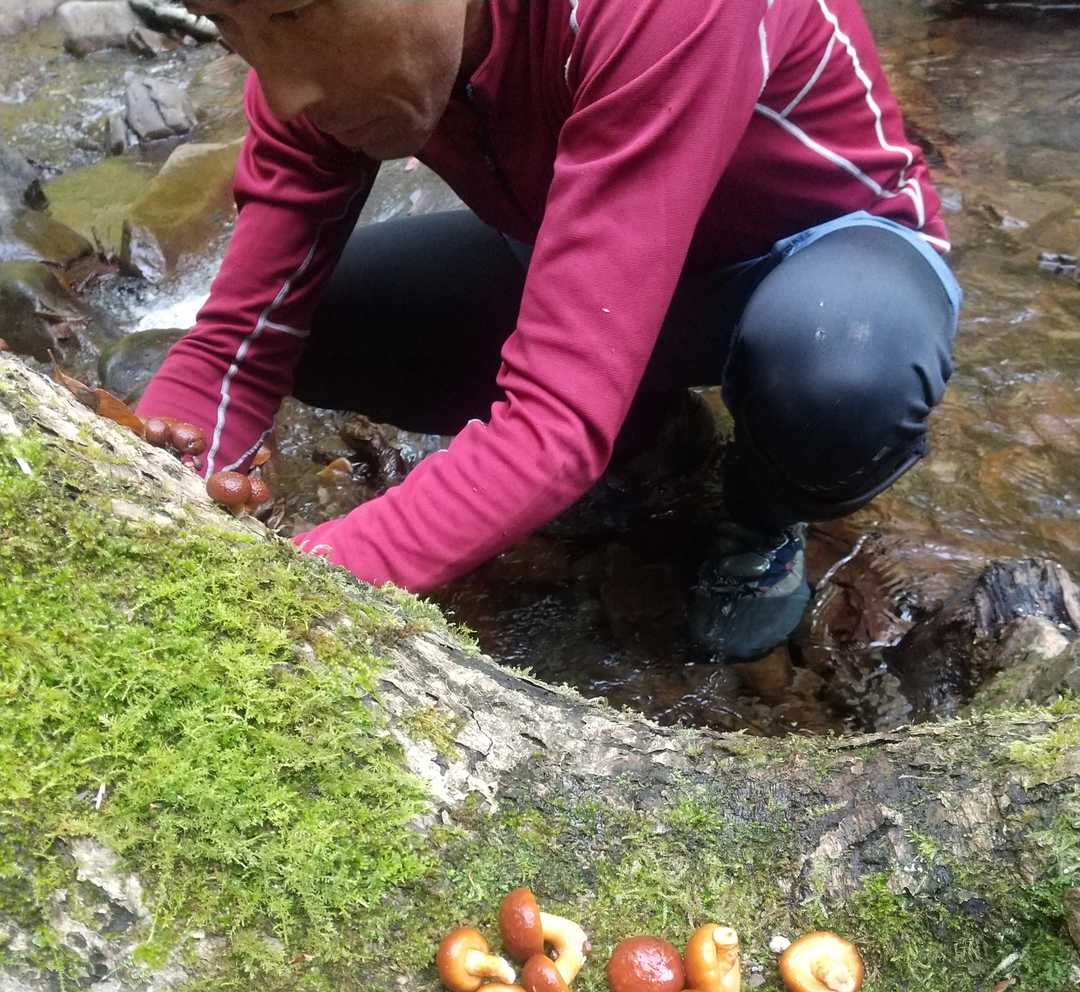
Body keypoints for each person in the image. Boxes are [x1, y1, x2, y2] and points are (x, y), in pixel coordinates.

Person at [142, 0, 962, 661]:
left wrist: (293, 592)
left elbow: (551, 421)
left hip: (819, 260)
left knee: (843, 378)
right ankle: (654, 440)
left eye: (293, 14)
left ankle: (763, 510)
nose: (285, 92)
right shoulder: (320, 71)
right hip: (601, 269)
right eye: (227, 26)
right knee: (323, 320)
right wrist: (149, 513)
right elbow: (236, 346)